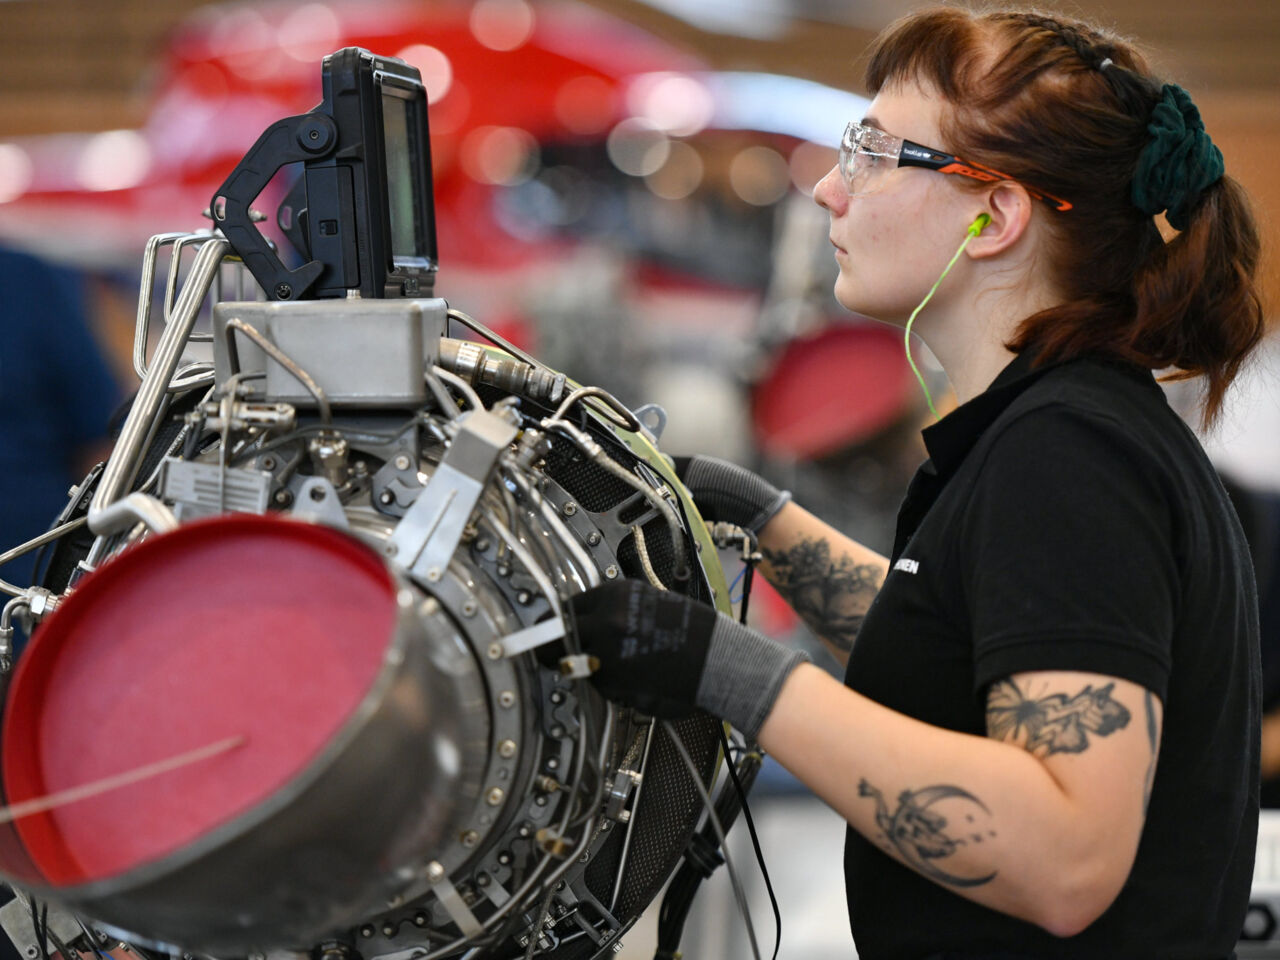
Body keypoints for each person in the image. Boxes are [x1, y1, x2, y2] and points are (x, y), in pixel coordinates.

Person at [563, 6, 1265, 957]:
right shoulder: (1054, 428)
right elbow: (953, 647)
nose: (828, 191)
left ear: (995, 215)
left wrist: (725, 669)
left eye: (872, 151)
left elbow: (1064, 858)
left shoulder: (1068, 458)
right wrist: (752, 514)